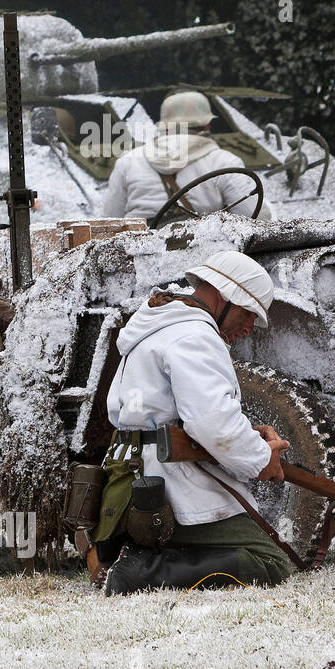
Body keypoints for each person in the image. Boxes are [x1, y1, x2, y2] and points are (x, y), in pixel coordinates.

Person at [98, 250, 291, 595]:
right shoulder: (194, 335)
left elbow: (167, 414)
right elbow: (211, 424)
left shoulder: (161, 327)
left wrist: (247, 434)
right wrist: (263, 460)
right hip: (165, 479)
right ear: (222, 295)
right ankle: (141, 571)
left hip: (131, 476)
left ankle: (136, 554)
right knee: (269, 560)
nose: (249, 328)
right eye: (247, 314)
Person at [102, 90, 273, 224]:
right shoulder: (224, 162)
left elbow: (109, 224)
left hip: (141, 261)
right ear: (207, 123)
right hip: (204, 263)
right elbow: (256, 219)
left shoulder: (128, 161)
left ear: (164, 125)